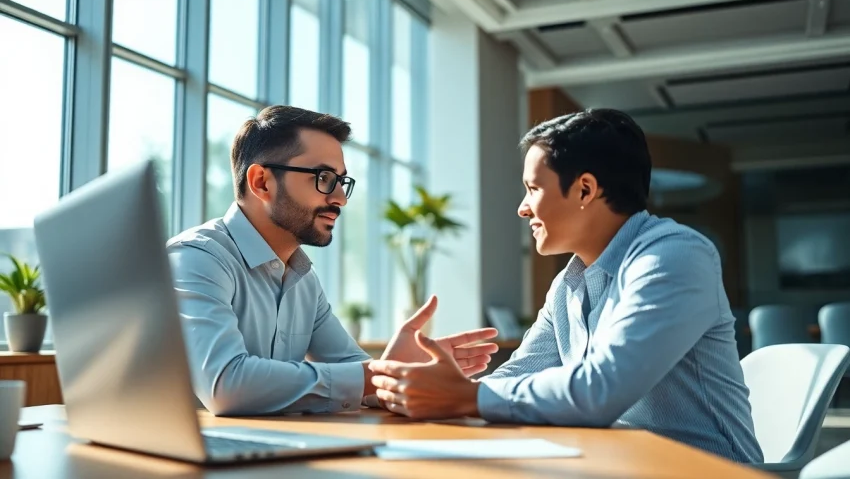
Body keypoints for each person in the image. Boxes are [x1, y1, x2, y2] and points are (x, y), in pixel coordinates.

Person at [368, 108, 763, 463]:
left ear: (585, 190)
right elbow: (515, 378)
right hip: (615, 463)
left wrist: (463, 396)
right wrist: (417, 387)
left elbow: (601, 390)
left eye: (533, 189)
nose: (523, 207)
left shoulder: (674, 257)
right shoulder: (569, 283)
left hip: (706, 470)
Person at [167, 105, 498, 416]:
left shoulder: (302, 278)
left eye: (342, 182)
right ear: (262, 182)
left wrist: (398, 373)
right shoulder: (197, 258)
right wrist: (377, 374)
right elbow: (226, 385)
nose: (339, 198)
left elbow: (357, 375)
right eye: (323, 178)